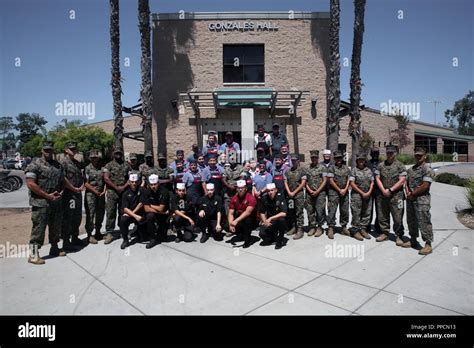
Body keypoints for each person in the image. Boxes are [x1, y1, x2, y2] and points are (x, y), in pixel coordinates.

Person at [25, 140, 67, 265]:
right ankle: (33, 254)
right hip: (40, 203)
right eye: (46, 150)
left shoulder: (58, 165)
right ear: (42, 151)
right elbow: (30, 183)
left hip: (55, 202)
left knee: (55, 227)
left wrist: (61, 192)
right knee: (38, 229)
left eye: (50, 150)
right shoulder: (35, 165)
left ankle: (54, 248)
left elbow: (63, 181)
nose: (48, 152)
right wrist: (47, 196)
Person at [404, 147, 435, 255]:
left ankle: (428, 244)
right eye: (416, 155)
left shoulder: (427, 169)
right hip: (410, 200)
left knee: (424, 221)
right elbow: (406, 183)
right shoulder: (410, 170)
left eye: (420, 155)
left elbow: (425, 186)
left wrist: (412, 194)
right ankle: (413, 239)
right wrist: (408, 193)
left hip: (422, 200)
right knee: (411, 220)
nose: (418, 157)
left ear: (425, 156)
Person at [374, 145, 407, 244]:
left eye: (391, 153)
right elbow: (377, 178)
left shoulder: (400, 165)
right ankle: (384, 233)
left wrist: (391, 190)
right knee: (382, 215)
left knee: (398, 216)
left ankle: (399, 235)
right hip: (382, 195)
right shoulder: (380, 165)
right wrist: (383, 190)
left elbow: (402, 180)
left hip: (397, 196)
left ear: (395, 153)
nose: (389, 154)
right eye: (388, 152)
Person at [61, 141, 86, 250]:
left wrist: (81, 186)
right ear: (66, 150)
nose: (73, 151)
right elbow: (63, 179)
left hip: (77, 194)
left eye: (75, 149)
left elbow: (81, 176)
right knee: (68, 218)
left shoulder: (77, 162)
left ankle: (75, 238)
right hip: (69, 195)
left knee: (77, 217)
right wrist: (73, 188)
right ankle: (66, 242)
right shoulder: (63, 163)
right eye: (71, 149)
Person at [103, 148, 131, 244]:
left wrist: (123, 187)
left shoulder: (127, 165)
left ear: (122, 154)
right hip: (112, 192)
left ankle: (122, 230)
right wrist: (116, 187)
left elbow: (130, 178)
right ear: (113, 154)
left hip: (123, 192)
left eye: (119, 153)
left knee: (122, 212)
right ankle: (110, 233)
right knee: (111, 212)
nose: (118, 155)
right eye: (116, 153)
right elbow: (106, 178)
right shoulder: (109, 165)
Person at [140, 174, 171, 249]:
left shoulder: (164, 191)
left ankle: (161, 233)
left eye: (155, 184)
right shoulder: (146, 192)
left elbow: (161, 208)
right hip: (154, 213)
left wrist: (150, 205)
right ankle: (152, 238)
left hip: (163, 214)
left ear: (158, 183)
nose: (153, 186)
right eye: (151, 185)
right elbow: (146, 209)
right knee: (150, 216)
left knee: (163, 237)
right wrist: (161, 212)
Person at [349, 153, 374, 241]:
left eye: (363, 160)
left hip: (368, 194)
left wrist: (369, 192)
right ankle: (355, 231)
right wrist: (361, 193)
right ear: (357, 161)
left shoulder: (369, 170)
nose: (361, 162)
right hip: (356, 195)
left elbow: (372, 182)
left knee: (366, 212)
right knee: (356, 212)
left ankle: (363, 229)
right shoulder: (354, 170)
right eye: (359, 160)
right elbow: (352, 183)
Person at [327, 150, 351, 237]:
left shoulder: (346, 168)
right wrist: (339, 190)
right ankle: (330, 227)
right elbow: (331, 181)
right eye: (337, 158)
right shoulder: (331, 168)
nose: (339, 159)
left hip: (344, 192)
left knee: (344, 210)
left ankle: (344, 227)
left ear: (342, 158)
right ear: (334, 159)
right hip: (333, 192)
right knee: (332, 210)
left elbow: (349, 179)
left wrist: (345, 189)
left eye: (340, 158)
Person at [84, 150, 106, 244]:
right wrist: (95, 191)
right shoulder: (87, 169)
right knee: (90, 214)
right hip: (91, 195)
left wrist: (104, 191)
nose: (94, 159)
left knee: (100, 213)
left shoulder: (102, 168)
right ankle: (90, 235)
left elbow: (105, 180)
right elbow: (85, 183)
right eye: (92, 158)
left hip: (101, 194)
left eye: (96, 157)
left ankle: (98, 232)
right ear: (90, 158)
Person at [305, 150, 328, 238]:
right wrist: (309, 190)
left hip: (320, 193)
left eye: (315, 157)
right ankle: (312, 227)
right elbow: (305, 182)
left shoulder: (322, 168)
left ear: (318, 158)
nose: (313, 159)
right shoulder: (307, 169)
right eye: (312, 157)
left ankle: (320, 227)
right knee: (310, 211)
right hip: (309, 193)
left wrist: (317, 191)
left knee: (319, 211)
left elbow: (325, 180)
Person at [228, 180, 257, 248]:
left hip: (250, 217)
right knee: (226, 225)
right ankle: (240, 235)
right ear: (236, 189)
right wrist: (230, 224)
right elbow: (230, 213)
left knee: (247, 223)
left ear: (246, 188)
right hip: (239, 216)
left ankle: (247, 240)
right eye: (239, 188)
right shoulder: (234, 198)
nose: (240, 189)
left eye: (242, 188)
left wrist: (236, 221)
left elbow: (248, 212)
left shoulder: (251, 198)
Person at [284, 154, 307, 240]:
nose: (293, 162)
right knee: (291, 211)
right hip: (290, 195)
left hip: (298, 195)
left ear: (298, 161)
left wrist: (294, 192)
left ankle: (300, 229)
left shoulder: (302, 170)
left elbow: (303, 183)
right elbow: (285, 182)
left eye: (295, 160)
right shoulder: (287, 171)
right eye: (292, 160)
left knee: (299, 212)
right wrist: (289, 192)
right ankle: (294, 227)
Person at [258, 183, 288, 249]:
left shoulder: (280, 197)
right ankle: (273, 238)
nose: (270, 192)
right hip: (270, 221)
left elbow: (284, 213)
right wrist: (265, 221)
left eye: (272, 190)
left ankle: (279, 241)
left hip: (278, 219)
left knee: (282, 221)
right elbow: (262, 212)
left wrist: (271, 218)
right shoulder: (264, 198)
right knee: (262, 234)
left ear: (276, 190)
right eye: (268, 191)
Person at [119, 174, 144, 249]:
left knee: (144, 236)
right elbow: (125, 208)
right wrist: (134, 215)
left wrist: (133, 213)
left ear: (138, 182)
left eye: (135, 182)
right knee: (123, 220)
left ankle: (139, 232)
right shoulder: (125, 193)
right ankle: (125, 240)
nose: (134, 184)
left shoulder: (141, 190)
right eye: (132, 182)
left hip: (139, 213)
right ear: (129, 182)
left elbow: (141, 204)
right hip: (131, 215)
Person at [367, 147, 381, 234]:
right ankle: (367, 225)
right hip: (369, 188)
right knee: (369, 208)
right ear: (371, 154)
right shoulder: (367, 163)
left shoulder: (382, 164)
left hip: (379, 189)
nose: (375, 155)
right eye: (373, 153)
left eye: (376, 153)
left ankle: (378, 226)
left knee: (379, 209)